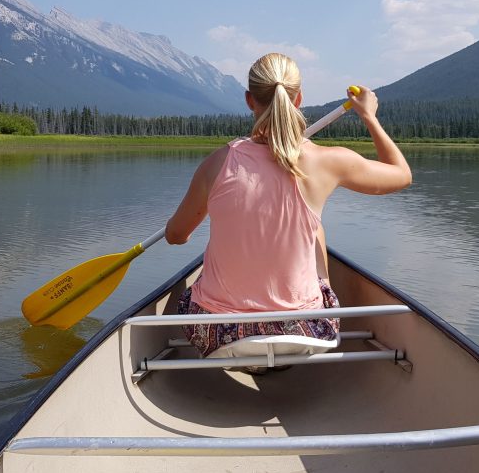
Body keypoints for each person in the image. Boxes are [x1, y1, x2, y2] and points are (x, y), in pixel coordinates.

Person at [164, 52, 411, 364]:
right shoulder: (327, 161)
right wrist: (369, 117)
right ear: (299, 100)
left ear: (249, 100)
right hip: (305, 331)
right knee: (315, 227)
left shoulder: (216, 164)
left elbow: (175, 235)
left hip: (216, 334)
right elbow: (402, 175)